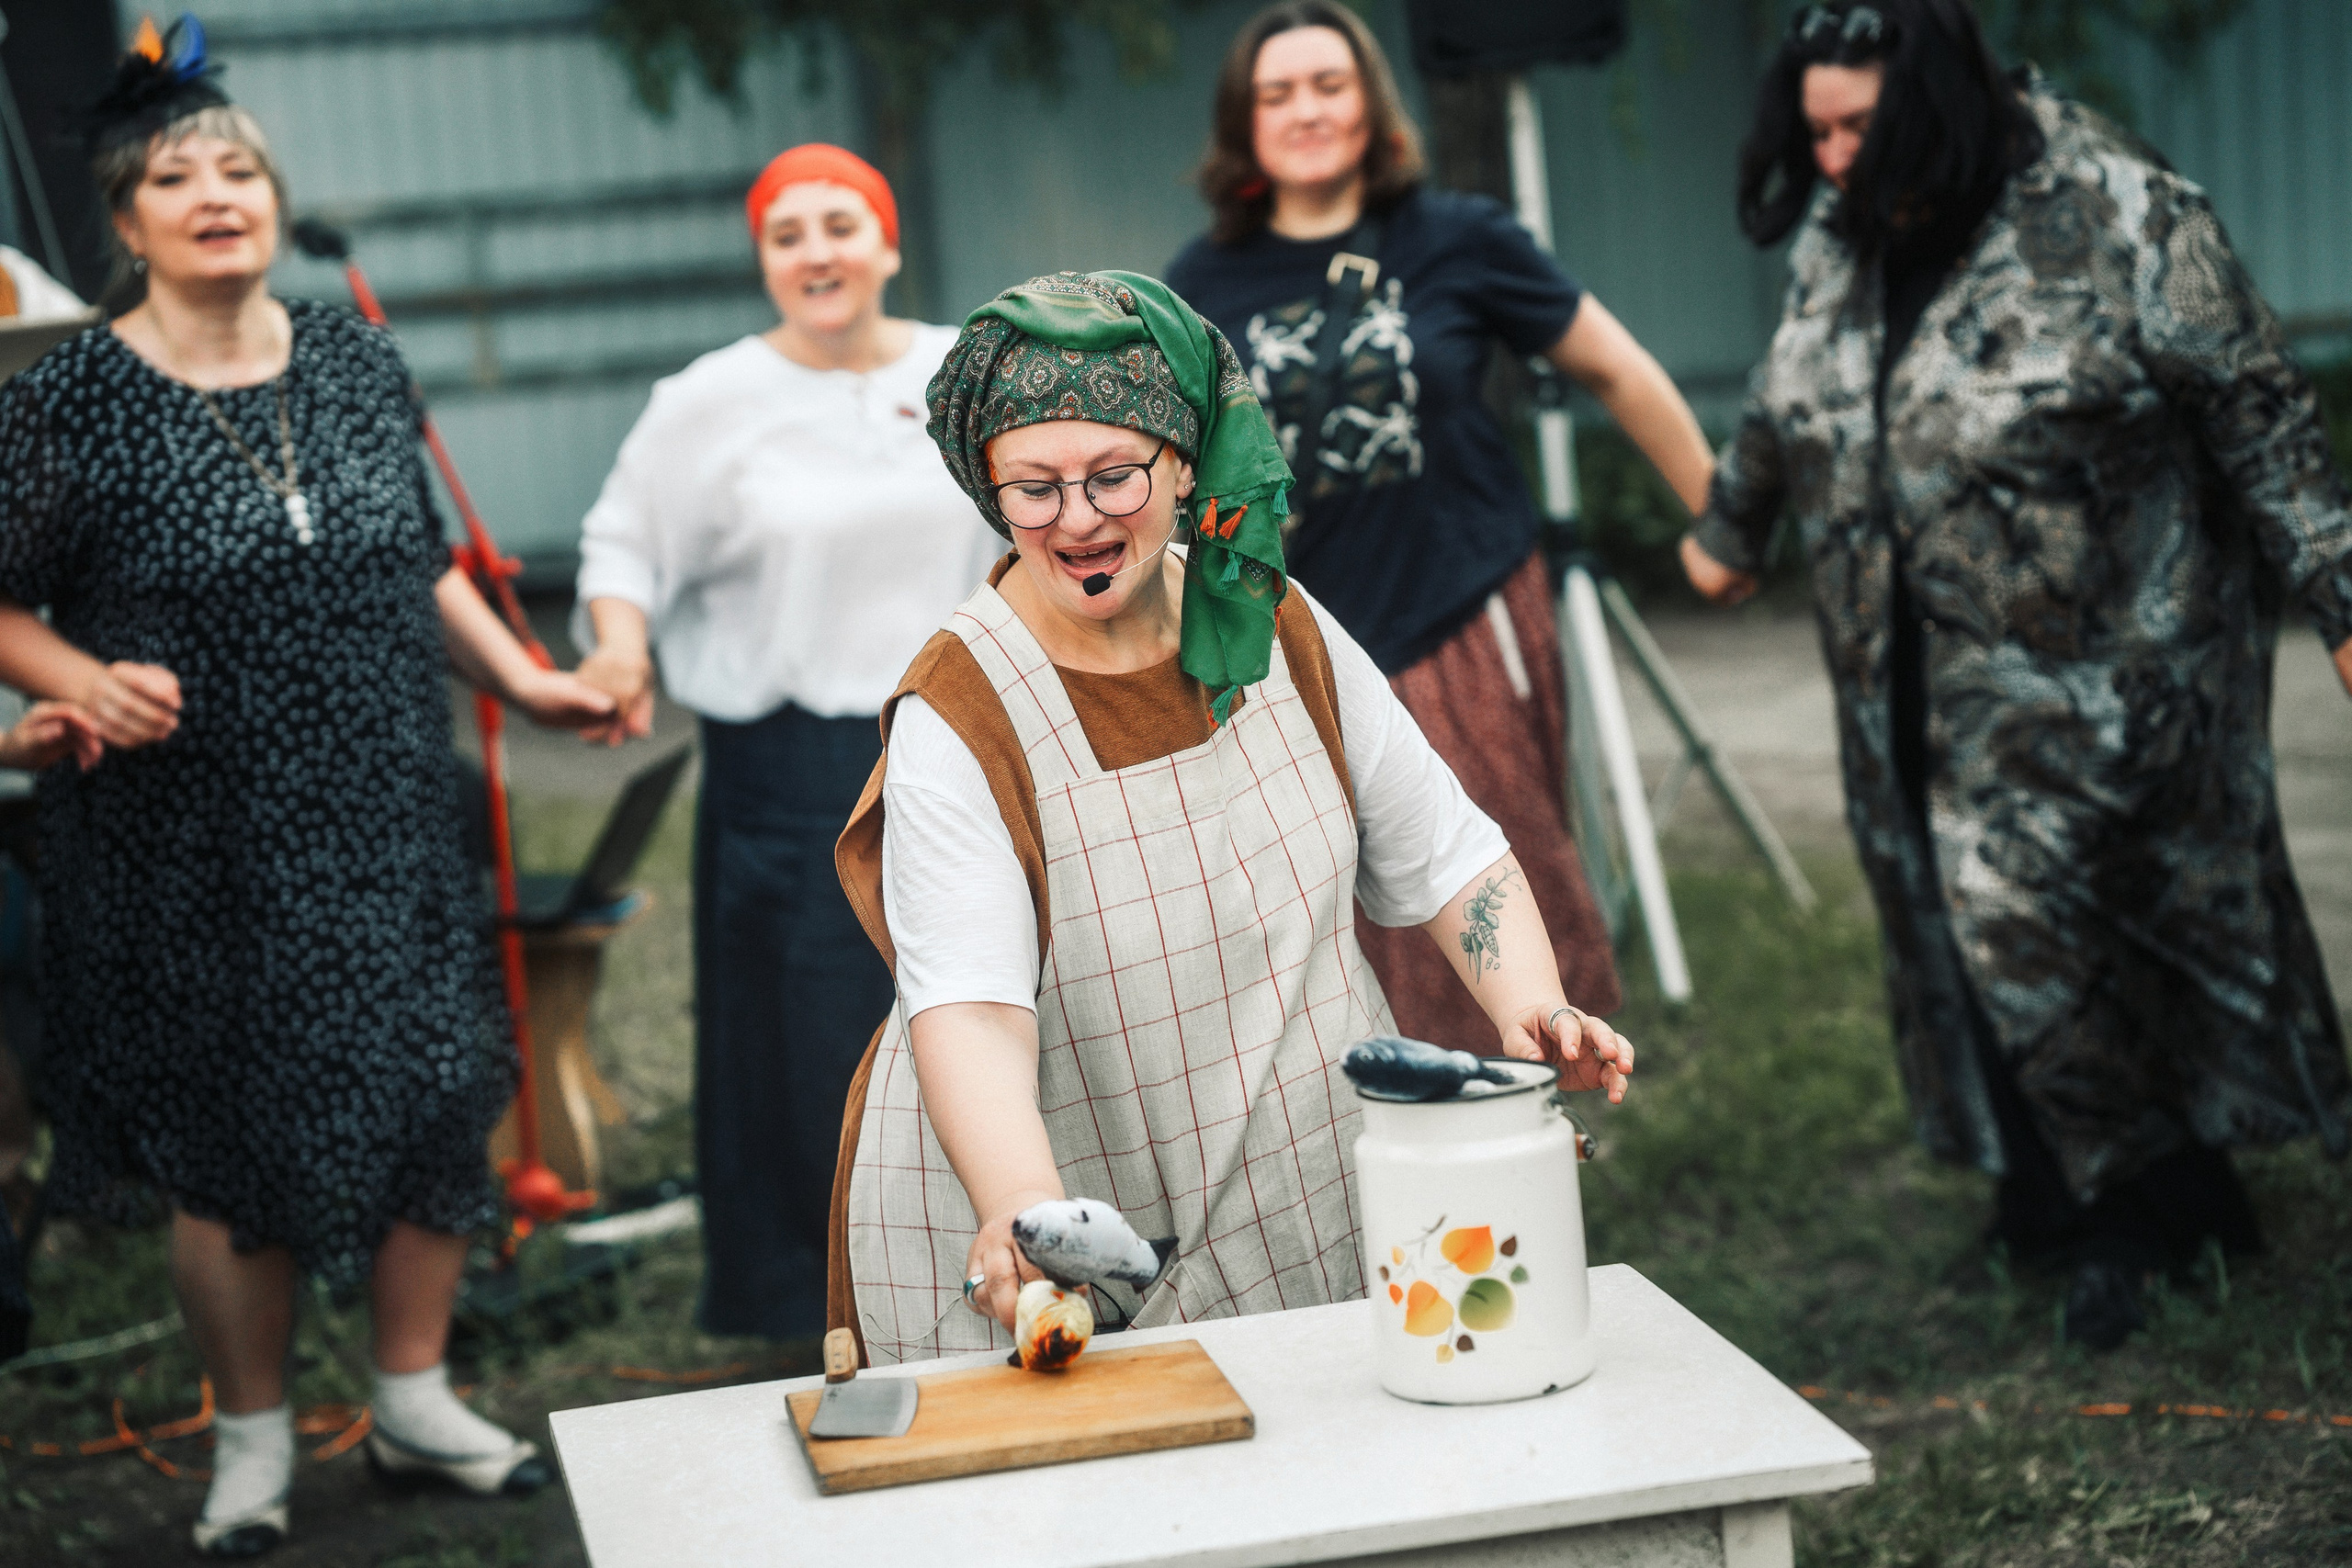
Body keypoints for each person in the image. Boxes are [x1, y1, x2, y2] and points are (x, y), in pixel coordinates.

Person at [0, 27, 617, 1554]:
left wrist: (525, 680)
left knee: (430, 1092)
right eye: (175, 176)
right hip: (186, 820)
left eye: (241, 168)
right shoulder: (71, 394)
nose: (218, 193)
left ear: (274, 199)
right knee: (232, 1127)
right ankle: (254, 1445)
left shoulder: (351, 353)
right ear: (126, 221)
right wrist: (70, 681)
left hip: (385, 790)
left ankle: (414, 1400)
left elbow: (417, 559)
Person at [1684, 0, 2352, 1348]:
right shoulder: (1852, 221)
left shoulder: (2114, 202)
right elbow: (1793, 382)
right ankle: (2053, 1189)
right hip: (1903, 666)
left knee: (2070, 924)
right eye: (1812, 131)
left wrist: (2338, 590)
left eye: (1858, 127)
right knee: (1951, 918)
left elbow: (2256, 401)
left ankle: (2144, 1214)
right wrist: (1731, 521)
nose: (1831, 160)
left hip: (2105, 665)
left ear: (1937, 100)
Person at [827, 269, 1633, 1363]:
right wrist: (1032, 1218)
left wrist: (1529, 1005)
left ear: (1187, 459)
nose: (1076, 522)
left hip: (1296, 1168)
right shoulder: (962, 713)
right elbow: (969, 1011)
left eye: (1114, 476)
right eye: (1032, 489)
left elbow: (1447, 856)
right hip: (1077, 1195)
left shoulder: (1277, 621)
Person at [1165, 2, 1716, 1052]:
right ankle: (1407, 1143)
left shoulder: (1461, 238)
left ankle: (1534, 1114)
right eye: (1277, 93)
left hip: (1462, 610)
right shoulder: (1202, 283)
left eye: (1328, 84)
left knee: (1494, 880)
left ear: (1371, 101)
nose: (1306, 110)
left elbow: (1616, 367)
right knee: (1345, 906)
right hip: (1307, 639)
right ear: (1245, 123)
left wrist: (1721, 524)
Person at [571, 144, 1000, 1340]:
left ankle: (1008, 1259)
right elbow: (619, 547)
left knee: (980, 1005)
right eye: (788, 233)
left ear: (888, 241)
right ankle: (828, 1307)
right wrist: (619, 650)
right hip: (790, 769)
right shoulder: (709, 400)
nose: (818, 252)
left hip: (960, 737)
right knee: (817, 1048)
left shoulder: (964, 366)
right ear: (765, 260)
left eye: (840, 224)